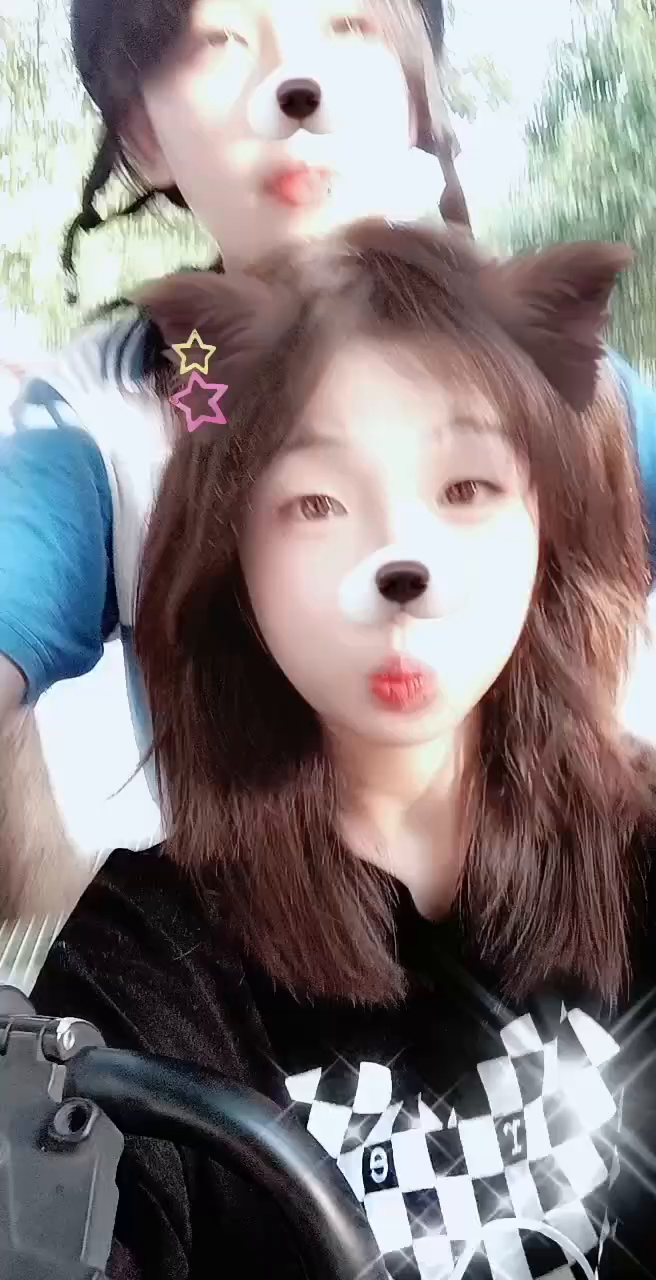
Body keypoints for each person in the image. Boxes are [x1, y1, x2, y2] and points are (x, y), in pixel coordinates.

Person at [32, 221, 656, 1279]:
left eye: (466, 488)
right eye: (316, 501)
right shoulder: (146, 962)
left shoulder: (640, 869)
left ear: (547, 523)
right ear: (234, 554)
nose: (397, 562)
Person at [0, 0, 468, 921]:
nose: (294, 86)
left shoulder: (552, 375)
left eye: (349, 24)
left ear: (416, 92)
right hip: (253, 984)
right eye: (218, 40)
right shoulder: (103, 416)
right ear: (144, 132)